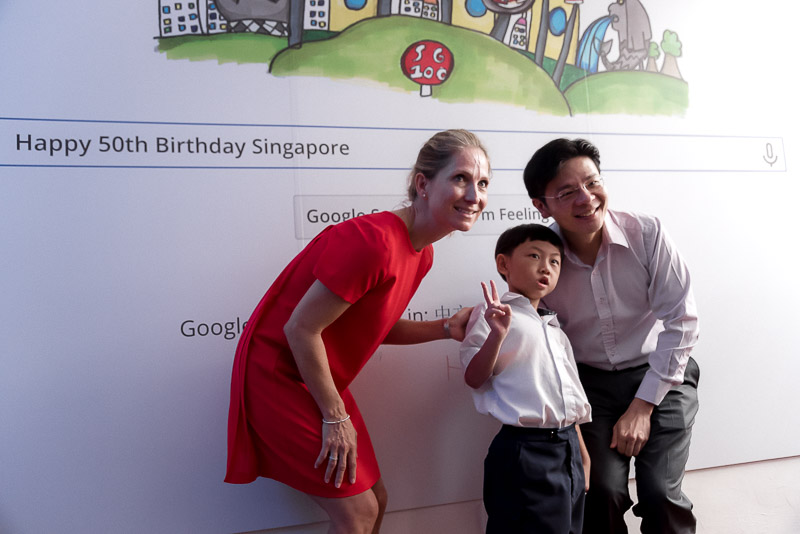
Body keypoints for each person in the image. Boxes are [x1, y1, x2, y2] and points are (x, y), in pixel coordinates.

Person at [225, 129, 491, 534]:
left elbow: (371, 327)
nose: (474, 195)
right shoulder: (374, 242)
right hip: (279, 376)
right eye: (461, 178)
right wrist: (335, 416)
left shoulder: (422, 254)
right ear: (423, 184)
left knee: (376, 502)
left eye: (483, 183)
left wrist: (444, 328)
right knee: (358, 513)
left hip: (315, 374)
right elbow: (300, 328)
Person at [523, 138, 700, 534]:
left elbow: (682, 321)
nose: (586, 198)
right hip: (590, 387)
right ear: (542, 205)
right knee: (599, 491)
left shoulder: (647, 233)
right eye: (567, 192)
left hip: (662, 374)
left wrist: (641, 407)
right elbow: (538, 338)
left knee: (660, 493)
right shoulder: (538, 256)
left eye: (592, 183)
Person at [460, 223, 592, 534]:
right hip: (525, 451)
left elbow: (568, 399)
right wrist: (497, 335)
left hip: (567, 448)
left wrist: (582, 455)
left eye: (555, 261)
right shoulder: (492, 315)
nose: (545, 267)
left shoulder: (555, 329)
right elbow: (474, 378)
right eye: (534, 255)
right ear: (504, 263)